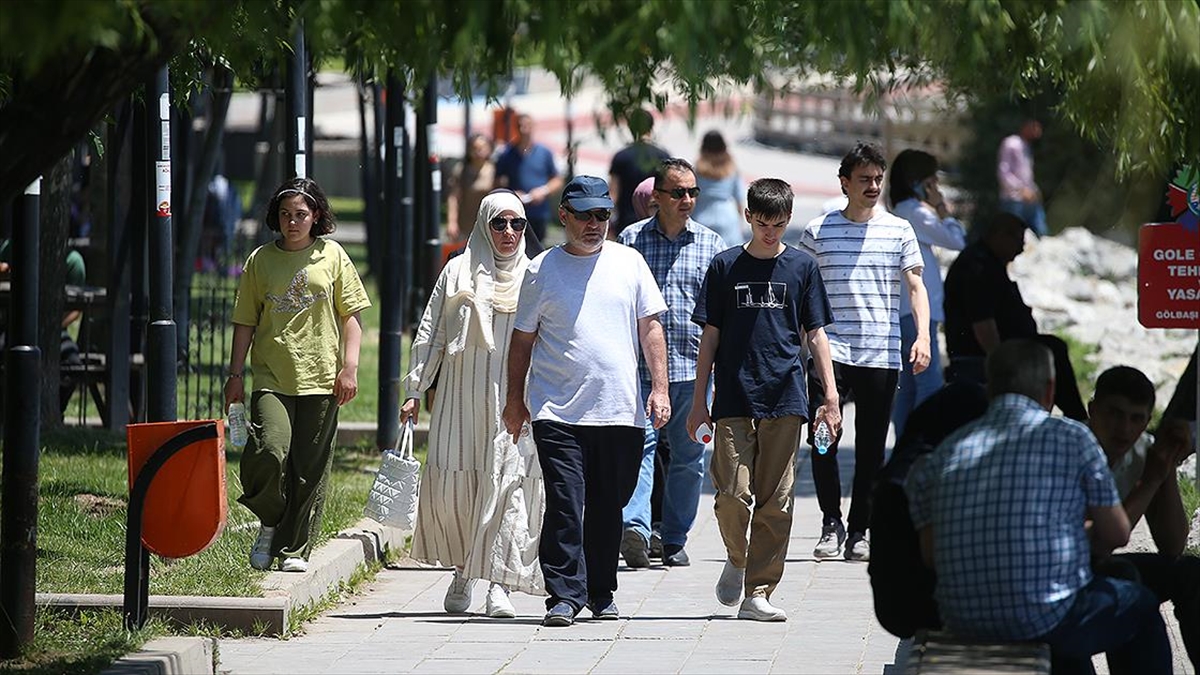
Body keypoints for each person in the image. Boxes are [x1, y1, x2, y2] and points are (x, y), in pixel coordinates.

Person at [905, 339, 1171, 674]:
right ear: (1049, 391)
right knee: (1138, 605)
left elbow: (932, 554)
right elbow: (1117, 535)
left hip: (962, 619)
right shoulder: (1074, 438)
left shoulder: (940, 457)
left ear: (991, 390)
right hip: (1045, 616)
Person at [502, 175, 670, 628]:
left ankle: (600, 591)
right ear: (564, 217)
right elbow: (522, 341)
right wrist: (515, 401)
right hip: (558, 410)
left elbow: (651, 328)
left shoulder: (630, 263)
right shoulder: (542, 270)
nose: (595, 224)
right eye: (585, 216)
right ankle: (563, 594)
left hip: (619, 411)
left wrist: (659, 388)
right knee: (564, 501)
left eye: (602, 215)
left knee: (607, 505)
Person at [687, 178, 842, 622]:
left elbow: (816, 335)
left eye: (778, 224)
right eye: (762, 223)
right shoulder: (724, 267)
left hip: (787, 395)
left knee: (779, 500)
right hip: (734, 393)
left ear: (788, 220)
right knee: (732, 495)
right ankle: (738, 558)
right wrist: (699, 400)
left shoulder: (801, 268)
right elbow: (710, 337)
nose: (770, 232)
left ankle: (759, 590)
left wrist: (829, 397)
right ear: (747, 217)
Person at [400, 191, 545, 619]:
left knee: (509, 486)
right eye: (499, 223)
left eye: (517, 224)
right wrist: (414, 388)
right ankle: (464, 570)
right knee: (460, 493)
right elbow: (432, 334)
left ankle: (499, 586)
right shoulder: (457, 272)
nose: (508, 232)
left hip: (515, 400)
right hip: (461, 402)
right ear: (483, 223)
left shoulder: (536, 275)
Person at [225, 177, 370, 573]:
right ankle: (269, 520)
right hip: (271, 375)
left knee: (309, 468)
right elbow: (244, 321)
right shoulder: (261, 260)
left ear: (316, 216)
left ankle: (294, 550)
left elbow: (352, 315)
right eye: (286, 215)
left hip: (322, 377)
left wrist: (349, 368)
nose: (293, 222)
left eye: (301, 215)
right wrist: (235, 374)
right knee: (270, 449)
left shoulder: (334, 255)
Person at [799, 142, 931, 562]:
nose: (873, 186)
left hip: (879, 350)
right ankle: (829, 522)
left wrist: (923, 335)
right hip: (828, 349)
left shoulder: (899, 230)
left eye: (878, 179)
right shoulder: (817, 231)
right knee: (822, 439)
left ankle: (860, 530)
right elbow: (800, 290)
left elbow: (915, 287)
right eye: (864, 179)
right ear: (844, 183)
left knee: (873, 448)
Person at [616, 159, 725, 569]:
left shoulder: (711, 244)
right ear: (656, 197)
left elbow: (718, 314)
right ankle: (636, 530)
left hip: (693, 372)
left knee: (688, 457)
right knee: (637, 449)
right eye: (678, 192)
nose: (687, 200)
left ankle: (674, 538)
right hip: (638, 370)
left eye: (693, 192)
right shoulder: (630, 241)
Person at [1087, 366, 1198, 667]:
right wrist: (1148, 482)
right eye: (1115, 414)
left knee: (1191, 573)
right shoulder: (1075, 449)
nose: (1124, 428)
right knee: (1128, 586)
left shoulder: (1143, 450)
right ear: (1092, 410)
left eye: (1136, 418)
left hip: (1098, 564)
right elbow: (1096, 544)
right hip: (1063, 570)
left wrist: (1165, 469)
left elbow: (1172, 546)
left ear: (1147, 421)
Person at [869, 381, 989, 638]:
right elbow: (933, 554)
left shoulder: (896, 474)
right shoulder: (936, 475)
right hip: (939, 611)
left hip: (896, 611)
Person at [942, 211, 1088, 420]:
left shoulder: (991, 264)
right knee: (1052, 351)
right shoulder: (978, 267)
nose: (1020, 248)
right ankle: (1078, 418)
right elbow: (983, 325)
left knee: (1051, 349)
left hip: (1010, 346)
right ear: (999, 236)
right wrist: (1000, 365)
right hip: (981, 356)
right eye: (1017, 240)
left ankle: (1071, 416)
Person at [887, 149, 966, 437]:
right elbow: (957, 240)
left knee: (908, 384)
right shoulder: (916, 213)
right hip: (920, 311)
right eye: (932, 179)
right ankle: (922, 442)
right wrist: (941, 207)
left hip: (906, 309)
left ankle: (904, 444)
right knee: (928, 382)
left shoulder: (900, 210)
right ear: (919, 180)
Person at [494, 113, 562, 253]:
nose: (524, 130)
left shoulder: (544, 153)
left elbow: (557, 180)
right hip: (514, 213)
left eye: (527, 126)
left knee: (537, 250)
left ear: (533, 127)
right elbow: (496, 182)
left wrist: (543, 191)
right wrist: (511, 194)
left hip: (538, 212)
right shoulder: (507, 153)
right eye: (520, 126)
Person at [608, 109, 670, 237]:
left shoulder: (621, 157)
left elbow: (613, 195)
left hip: (627, 223)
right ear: (652, 126)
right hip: (658, 222)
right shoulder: (663, 156)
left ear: (630, 128)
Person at [692, 130, 745, 246]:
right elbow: (739, 198)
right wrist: (740, 222)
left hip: (701, 215)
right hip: (727, 217)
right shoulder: (731, 169)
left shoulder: (698, 170)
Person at [997, 117, 1048, 237]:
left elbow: (1025, 174)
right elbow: (1003, 172)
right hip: (1013, 199)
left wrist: (1034, 190)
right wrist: (1020, 189)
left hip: (1028, 197)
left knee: (1040, 230)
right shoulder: (1011, 143)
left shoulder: (1026, 146)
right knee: (1012, 235)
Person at [446, 134, 496, 243]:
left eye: (482, 148)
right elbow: (454, 197)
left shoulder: (495, 170)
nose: (478, 151)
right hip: (465, 225)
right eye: (475, 148)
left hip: (489, 225)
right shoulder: (461, 170)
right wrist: (452, 222)